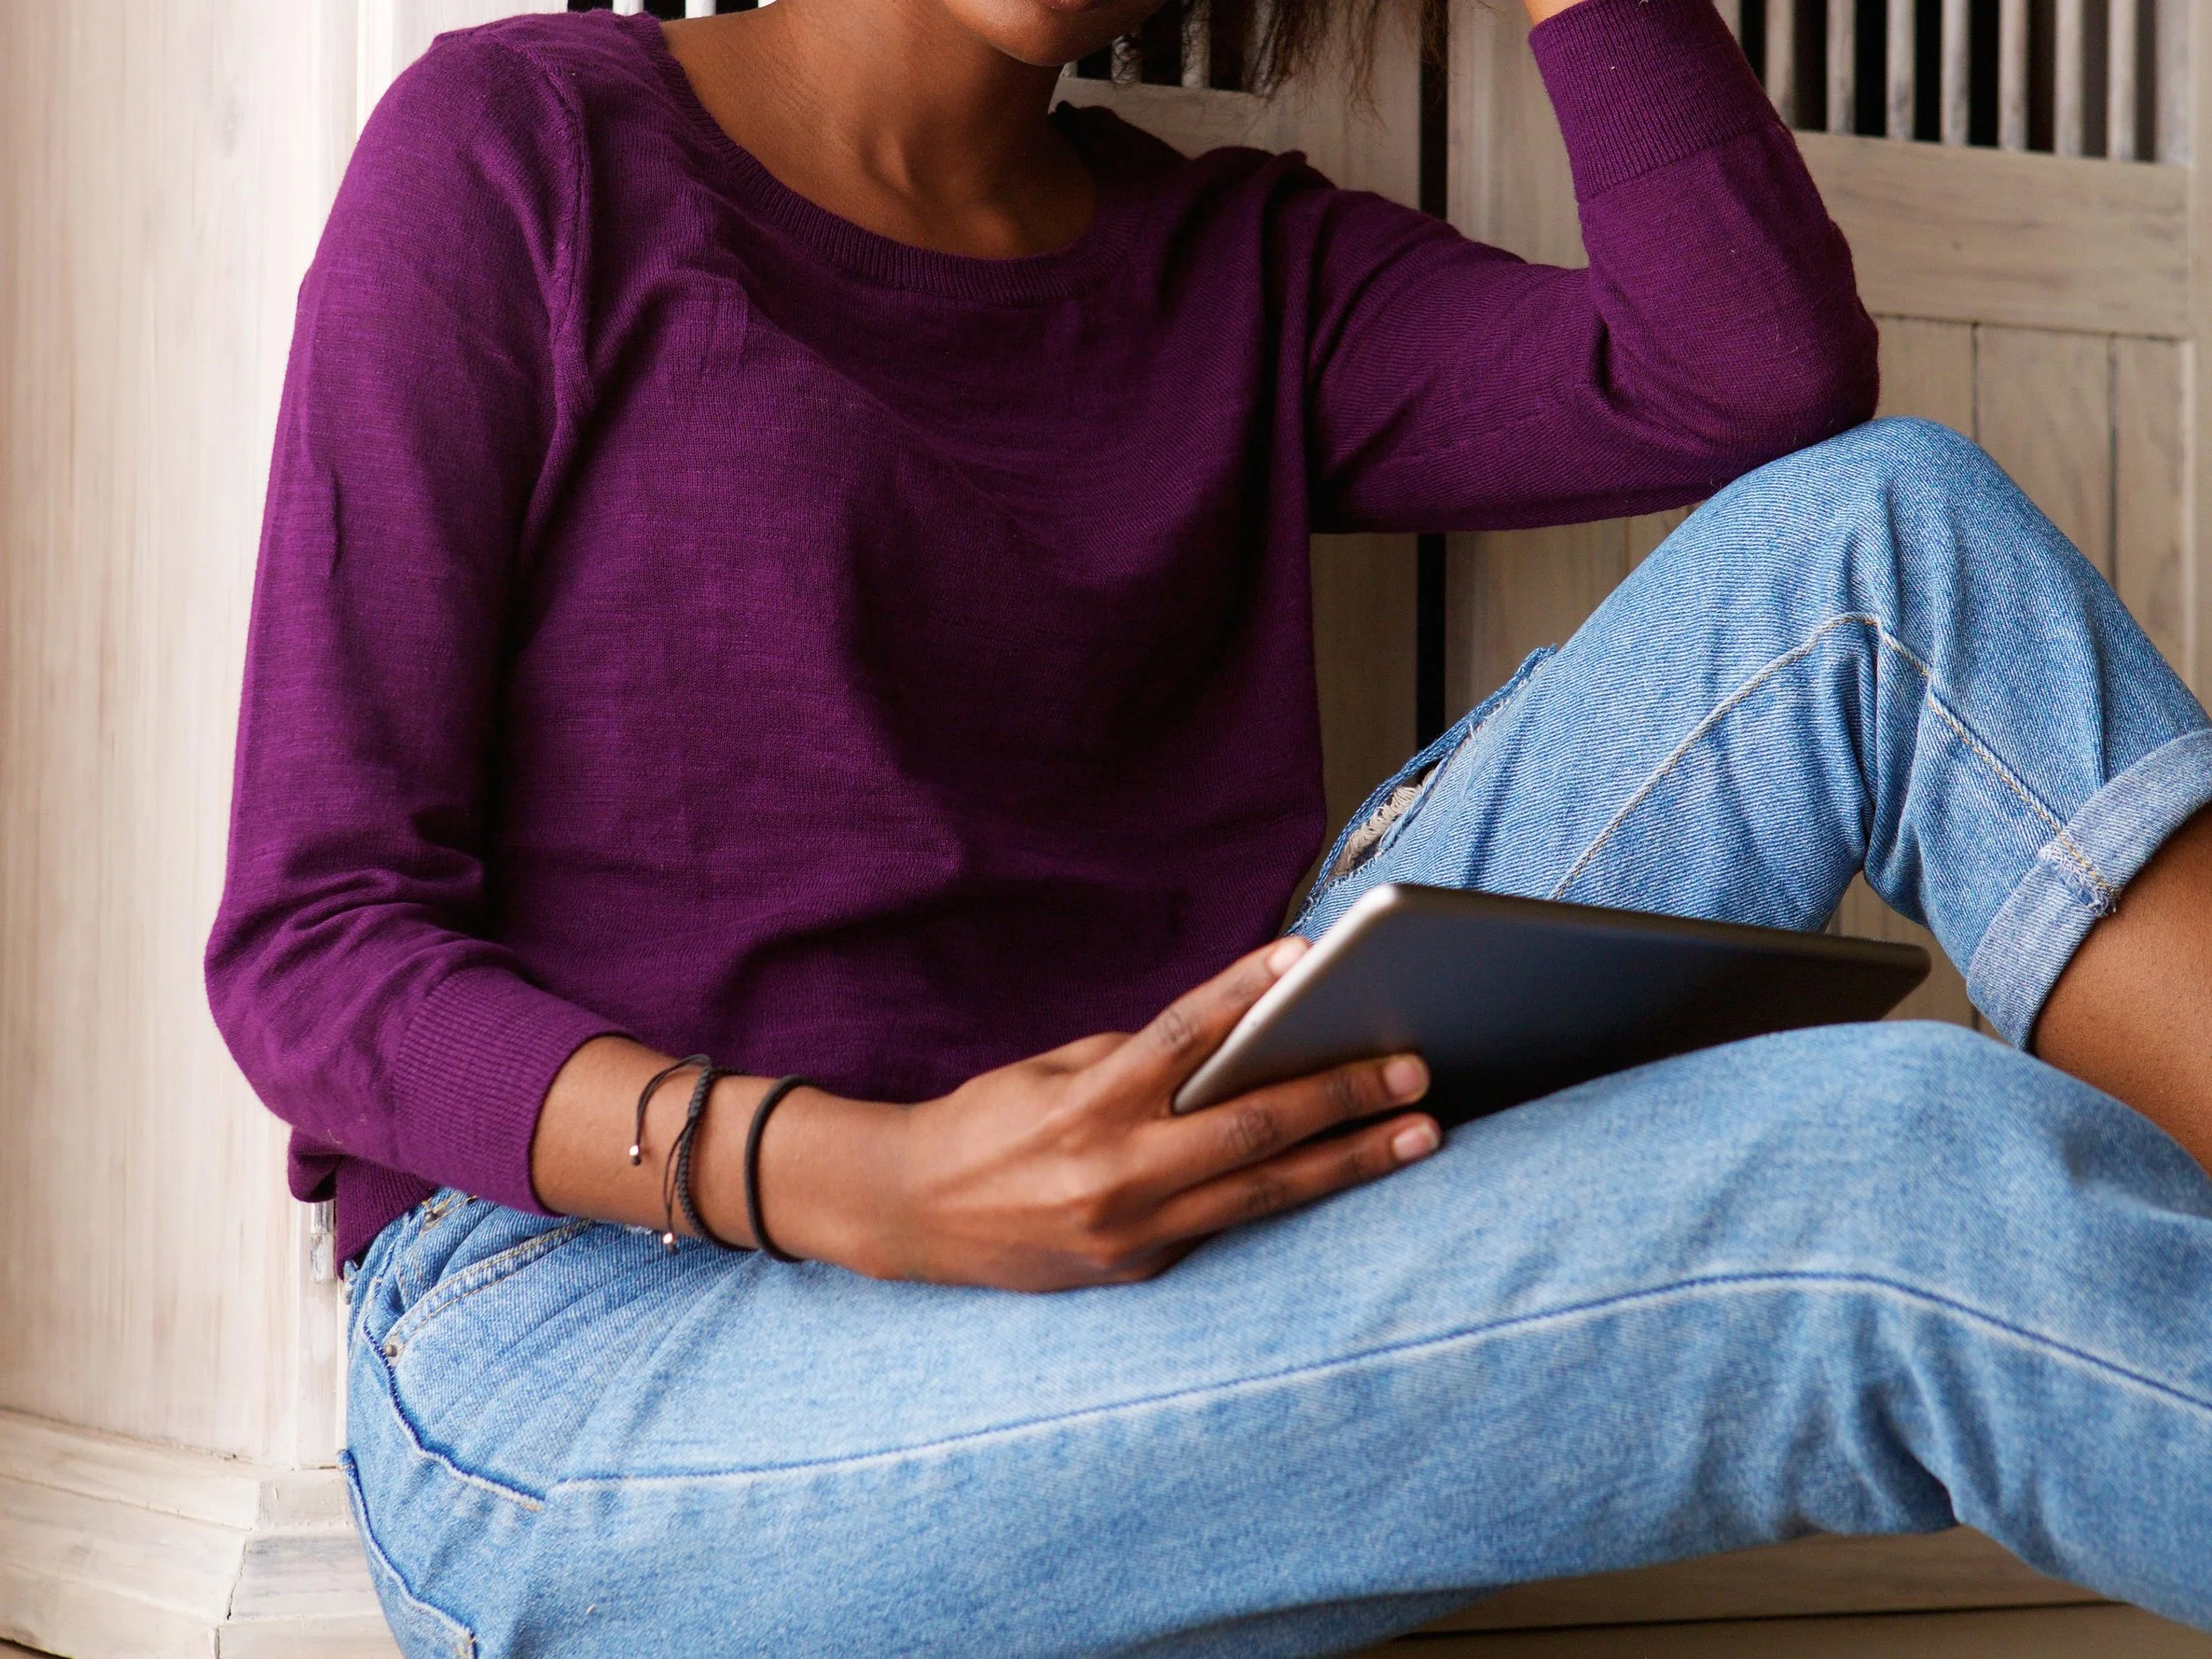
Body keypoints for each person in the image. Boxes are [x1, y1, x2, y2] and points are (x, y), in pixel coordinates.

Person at [203, 0, 2212, 1646]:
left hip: (1168, 1208)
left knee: (1892, 539)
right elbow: (316, 945)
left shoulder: (1233, 263)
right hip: (593, 1341)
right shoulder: (521, 153)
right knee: (1906, 1169)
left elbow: (1748, 370)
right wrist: (864, 1179)